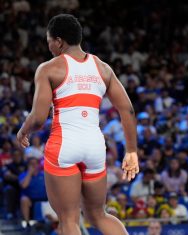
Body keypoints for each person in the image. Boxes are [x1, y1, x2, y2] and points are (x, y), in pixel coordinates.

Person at [16, 14, 139, 235]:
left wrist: (23, 131)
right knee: (98, 215)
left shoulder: (48, 68)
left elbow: (37, 117)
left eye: (49, 42)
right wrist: (131, 151)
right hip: (94, 146)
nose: (50, 47)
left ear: (59, 41)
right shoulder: (103, 68)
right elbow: (127, 109)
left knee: (68, 220)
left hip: (64, 144)